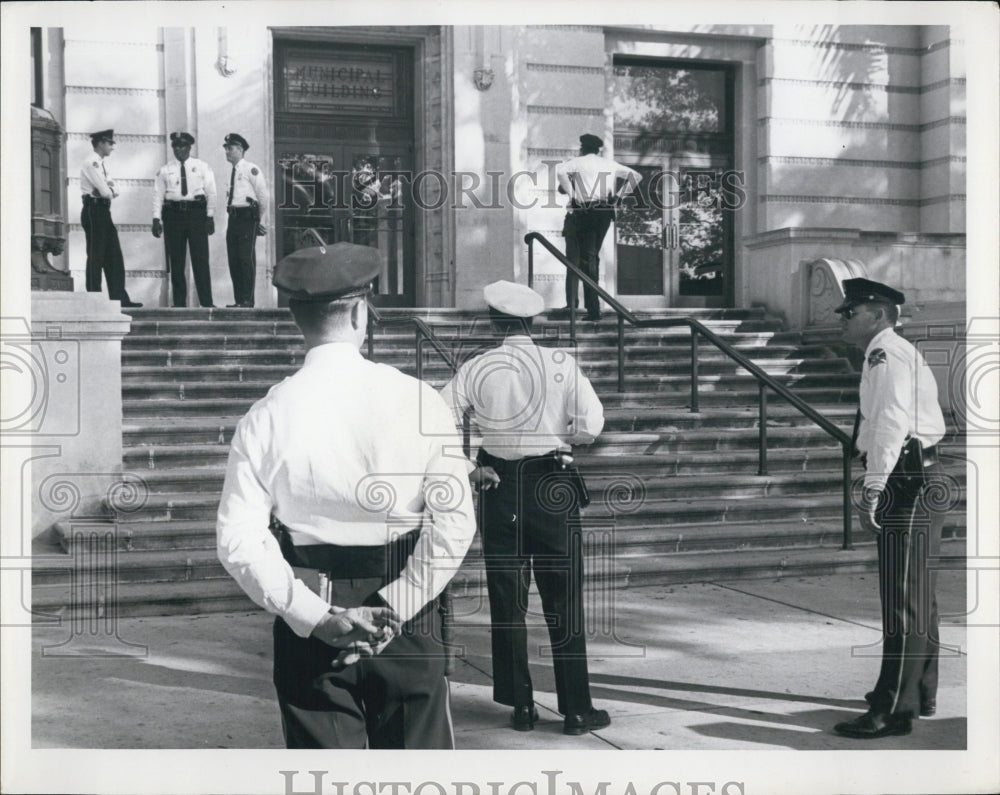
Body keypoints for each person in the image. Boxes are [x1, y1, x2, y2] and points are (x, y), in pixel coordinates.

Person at [216, 240, 476, 749]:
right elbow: (455, 522)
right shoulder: (418, 399)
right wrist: (398, 603)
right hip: (407, 606)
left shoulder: (267, 415)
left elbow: (238, 540)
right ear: (361, 312)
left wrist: (315, 618)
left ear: (296, 318)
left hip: (312, 608)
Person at [439, 280, 610, 735]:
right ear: (532, 321)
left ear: (494, 320)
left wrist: (465, 465)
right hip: (551, 482)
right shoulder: (560, 362)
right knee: (564, 600)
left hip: (498, 486)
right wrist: (564, 439)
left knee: (507, 601)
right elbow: (591, 422)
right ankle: (576, 709)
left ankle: (521, 705)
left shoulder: (477, 366)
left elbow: (439, 416)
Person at [832, 277, 947, 740]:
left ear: (878, 316)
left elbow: (892, 423)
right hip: (920, 476)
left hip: (907, 479)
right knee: (917, 595)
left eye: (851, 312)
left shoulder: (885, 354)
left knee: (903, 599)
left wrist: (873, 486)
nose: (843, 318)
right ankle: (920, 691)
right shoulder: (888, 352)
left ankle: (892, 709)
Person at [555, 134, 641, 321]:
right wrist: (618, 198)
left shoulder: (577, 163)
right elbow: (636, 176)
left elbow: (560, 172)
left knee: (586, 259)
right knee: (591, 257)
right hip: (604, 211)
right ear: (597, 149)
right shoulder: (608, 164)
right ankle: (592, 307)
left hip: (585, 211)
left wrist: (573, 196)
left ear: (582, 149)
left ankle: (592, 310)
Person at [152, 132, 217, 307]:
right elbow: (158, 195)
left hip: (197, 214)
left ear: (189, 147)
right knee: (177, 261)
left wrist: (210, 216)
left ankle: (206, 302)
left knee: (200, 260)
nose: (179, 150)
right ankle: (179, 303)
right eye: (176, 146)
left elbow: (211, 192)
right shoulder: (165, 170)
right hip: (173, 216)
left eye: (183, 146)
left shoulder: (202, 166)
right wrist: (156, 218)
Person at [79, 129, 142, 307]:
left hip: (104, 210)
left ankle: (120, 297)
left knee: (114, 254)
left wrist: (108, 190)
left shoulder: (102, 164)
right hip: (93, 209)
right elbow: (106, 191)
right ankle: (94, 298)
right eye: (110, 143)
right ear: (100, 143)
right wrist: (107, 190)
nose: (112, 146)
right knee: (96, 254)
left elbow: (114, 190)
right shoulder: (91, 163)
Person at [222, 133, 269, 308]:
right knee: (233, 259)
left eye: (230, 148)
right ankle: (239, 300)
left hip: (247, 217)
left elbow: (263, 196)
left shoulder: (251, 169)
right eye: (226, 148)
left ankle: (248, 300)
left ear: (240, 149)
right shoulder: (231, 173)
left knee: (245, 258)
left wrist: (258, 220)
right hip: (233, 218)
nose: (227, 151)